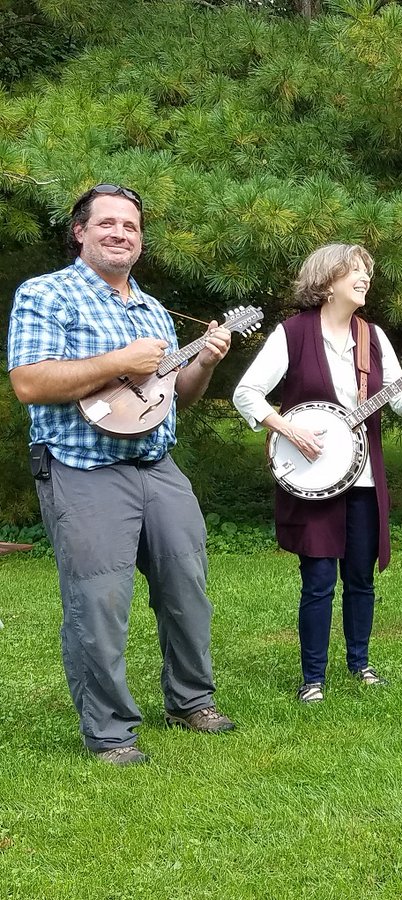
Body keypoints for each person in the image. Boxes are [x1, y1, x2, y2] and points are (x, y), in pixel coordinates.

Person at [8, 184, 236, 766]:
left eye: (130, 226)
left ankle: (191, 700)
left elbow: (174, 393)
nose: (120, 233)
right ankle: (109, 732)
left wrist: (204, 361)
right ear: (80, 231)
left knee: (187, 588)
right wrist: (116, 362)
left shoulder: (153, 309)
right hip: (83, 470)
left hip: (158, 467)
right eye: (106, 223)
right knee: (98, 603)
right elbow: (29, 382)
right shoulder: (46, 295)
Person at [232, 244, 402, 703]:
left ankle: (361, 663)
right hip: (311, 479)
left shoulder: (373, 338)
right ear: (327, 282)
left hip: (364, 478)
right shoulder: (292, 334)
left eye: (367, 271)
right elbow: (247, 394)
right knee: (320, 578)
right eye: (354, 271)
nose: (365, 277)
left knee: (361, 578)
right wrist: (288, 429)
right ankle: (313, 678)